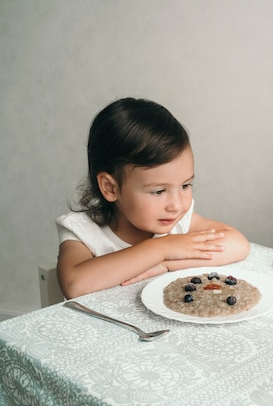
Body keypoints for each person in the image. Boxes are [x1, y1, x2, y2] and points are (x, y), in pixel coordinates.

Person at [56, 97, 250, 299]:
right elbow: (74, 284)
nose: (176, 205)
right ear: (110, 188)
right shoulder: (84, 232)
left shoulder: (178, 222)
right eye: (158, 191)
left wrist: (166, 263)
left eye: (185, 185)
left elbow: (238, 244)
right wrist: (160, 249)